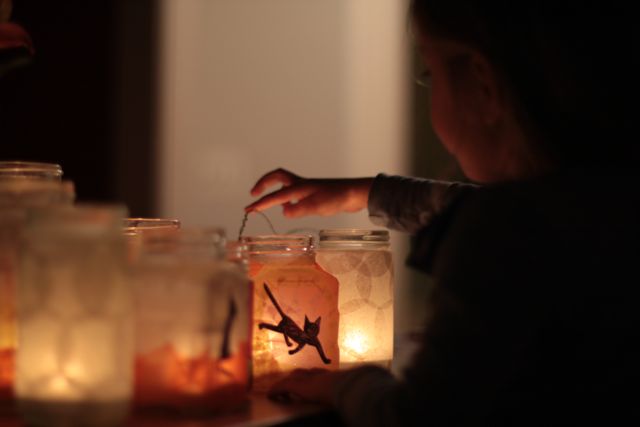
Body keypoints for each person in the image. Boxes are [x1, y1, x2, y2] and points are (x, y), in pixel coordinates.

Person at [246, 1, 639, 425]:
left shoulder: (503, 234)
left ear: (480, 83)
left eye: (429, 74)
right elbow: (470, 207)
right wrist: (365, 193)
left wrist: (344, 384)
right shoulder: (607, 202)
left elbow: (417, 416)